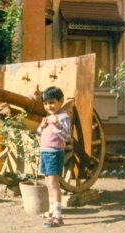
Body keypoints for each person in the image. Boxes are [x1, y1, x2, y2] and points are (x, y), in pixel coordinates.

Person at [37, 86, 72, 228]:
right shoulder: (49, 117)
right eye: (45, 103)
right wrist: (41, 126)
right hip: (45, 152)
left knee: (53, 184)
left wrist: (57, 125)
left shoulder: (64, 117)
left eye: (52, 102)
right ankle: (51, 211)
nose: (48, 106)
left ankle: (58, 217)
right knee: (48, 183)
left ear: (61, 101)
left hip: (54, 153)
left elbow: (67, 136)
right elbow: (41, 133)